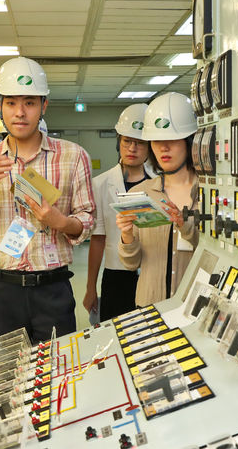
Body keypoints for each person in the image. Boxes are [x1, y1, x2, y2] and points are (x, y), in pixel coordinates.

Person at [0, 57, 95, 348]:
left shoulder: (73, 156)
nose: (20, 113)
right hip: (1, 290)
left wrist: (61, 222)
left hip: (53, 289)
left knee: (57, 376)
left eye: (30, 103)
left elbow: (86, 222)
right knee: (7, 382)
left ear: (44, 105)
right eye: (11, 103)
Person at [117, 92, 199, 306]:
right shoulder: (140, 193)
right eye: (156, 140)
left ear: (189, 141)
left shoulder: (208, 193)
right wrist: (127, 235)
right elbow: (131, 263)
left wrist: (185, 226)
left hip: (192, 308)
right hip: (148, 306)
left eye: (172, 140)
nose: (163, 148)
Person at [85, 104, 155, 322]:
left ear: (150, 146)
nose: (132, 148)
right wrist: (90, 287)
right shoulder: (101, 184)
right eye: (127, 141)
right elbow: (97, 240)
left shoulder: (160, 184)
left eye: (140, 143)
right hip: (116, 276)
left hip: (152, 272)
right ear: (119, 142)